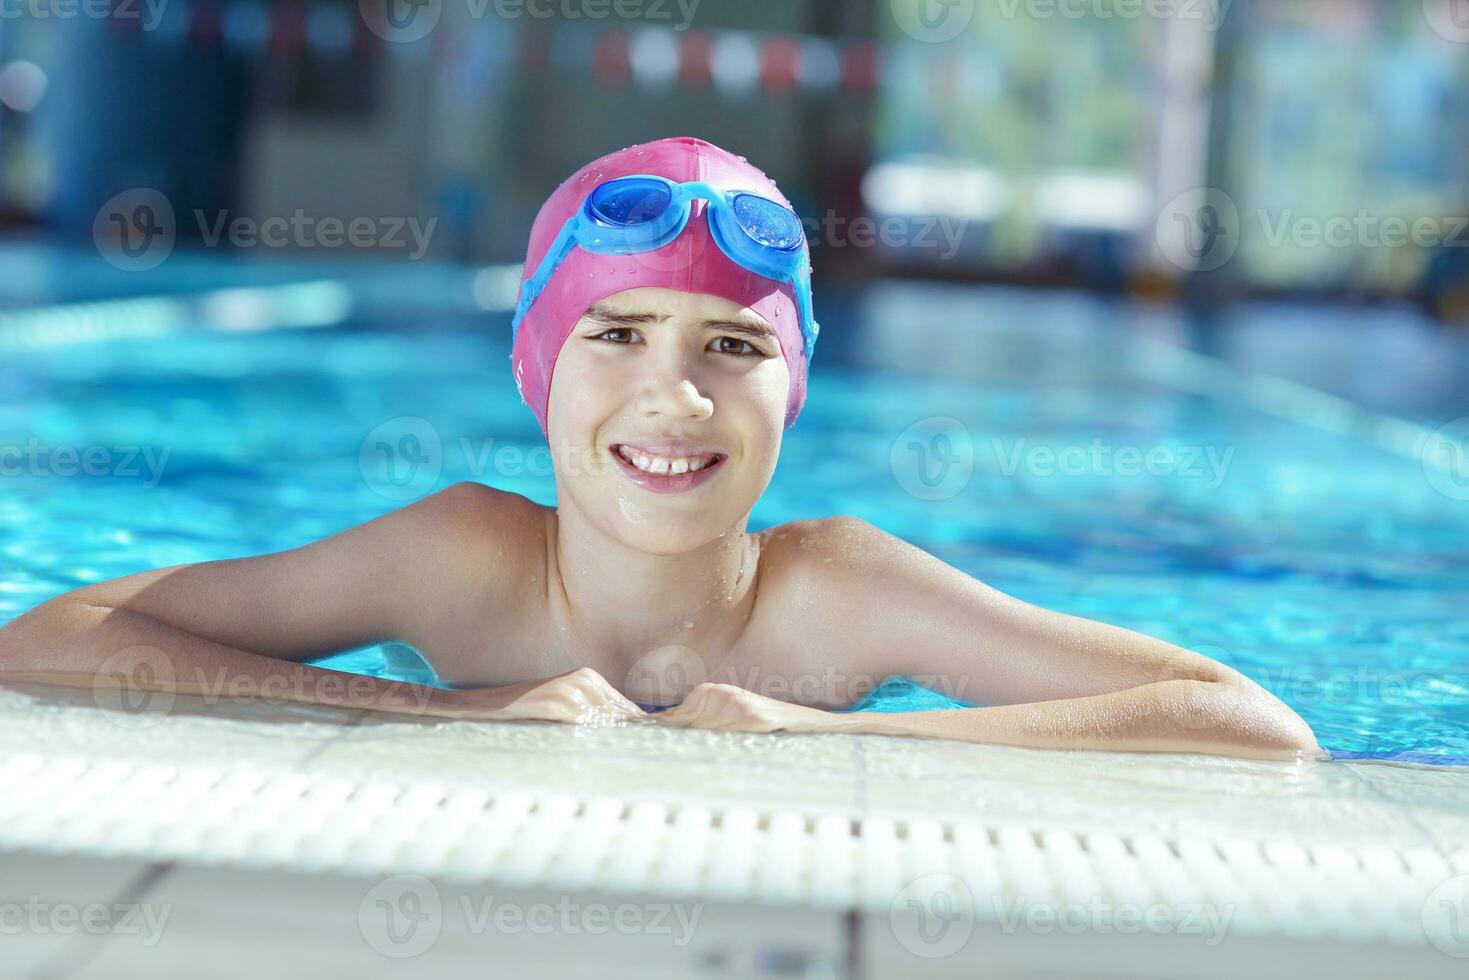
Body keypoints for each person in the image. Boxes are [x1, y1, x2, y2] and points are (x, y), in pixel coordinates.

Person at [0, 137, 1321, 762]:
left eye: (732, 348)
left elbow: (1248, 724)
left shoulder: (839, 594)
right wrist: (442, 711)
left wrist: (836, 743)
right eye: (617, 333)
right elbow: (48, 643)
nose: (672, 396)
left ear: (792, 391)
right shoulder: (461, 564)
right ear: (536, 370)